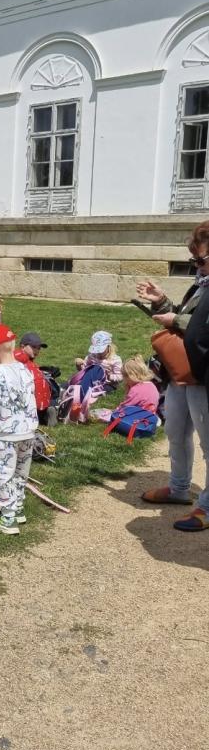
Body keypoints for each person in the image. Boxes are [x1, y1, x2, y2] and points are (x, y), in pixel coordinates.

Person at [137, 221, 209, 529]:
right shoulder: (202, 283)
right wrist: (163, 302)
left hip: (203, 374)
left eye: (201, 260)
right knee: (176, 431)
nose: (197, 266)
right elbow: (190, 316)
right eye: (194, 260)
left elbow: (198, 326)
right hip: (184, 370)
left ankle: (207, 507)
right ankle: (179, 488)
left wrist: (175, 320)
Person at [0, 324, 38, 536]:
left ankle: (8, 518)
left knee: (4, 474)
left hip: (6, 434)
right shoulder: (25, 370)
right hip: (28, 431)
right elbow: (31, 400)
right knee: (21, 471)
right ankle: (18, 507)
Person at [93, 356, 160, 422]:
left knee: (110, 416)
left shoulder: (136, 390)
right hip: (151, 414)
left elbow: (126, 407)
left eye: (125, 377)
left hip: (139, 418)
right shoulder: (151, 385)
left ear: (131, 376)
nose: (125, 380)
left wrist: (115, 411)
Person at [15, 331, 56, 425]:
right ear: (22, 346)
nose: (37, 351)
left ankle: (45, 414)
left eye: (39, 348)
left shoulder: (28, 362)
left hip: (33, 403)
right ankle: (47, 413)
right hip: (33, 402)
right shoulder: (19, 357)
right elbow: (15, 357)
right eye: (33, 347)